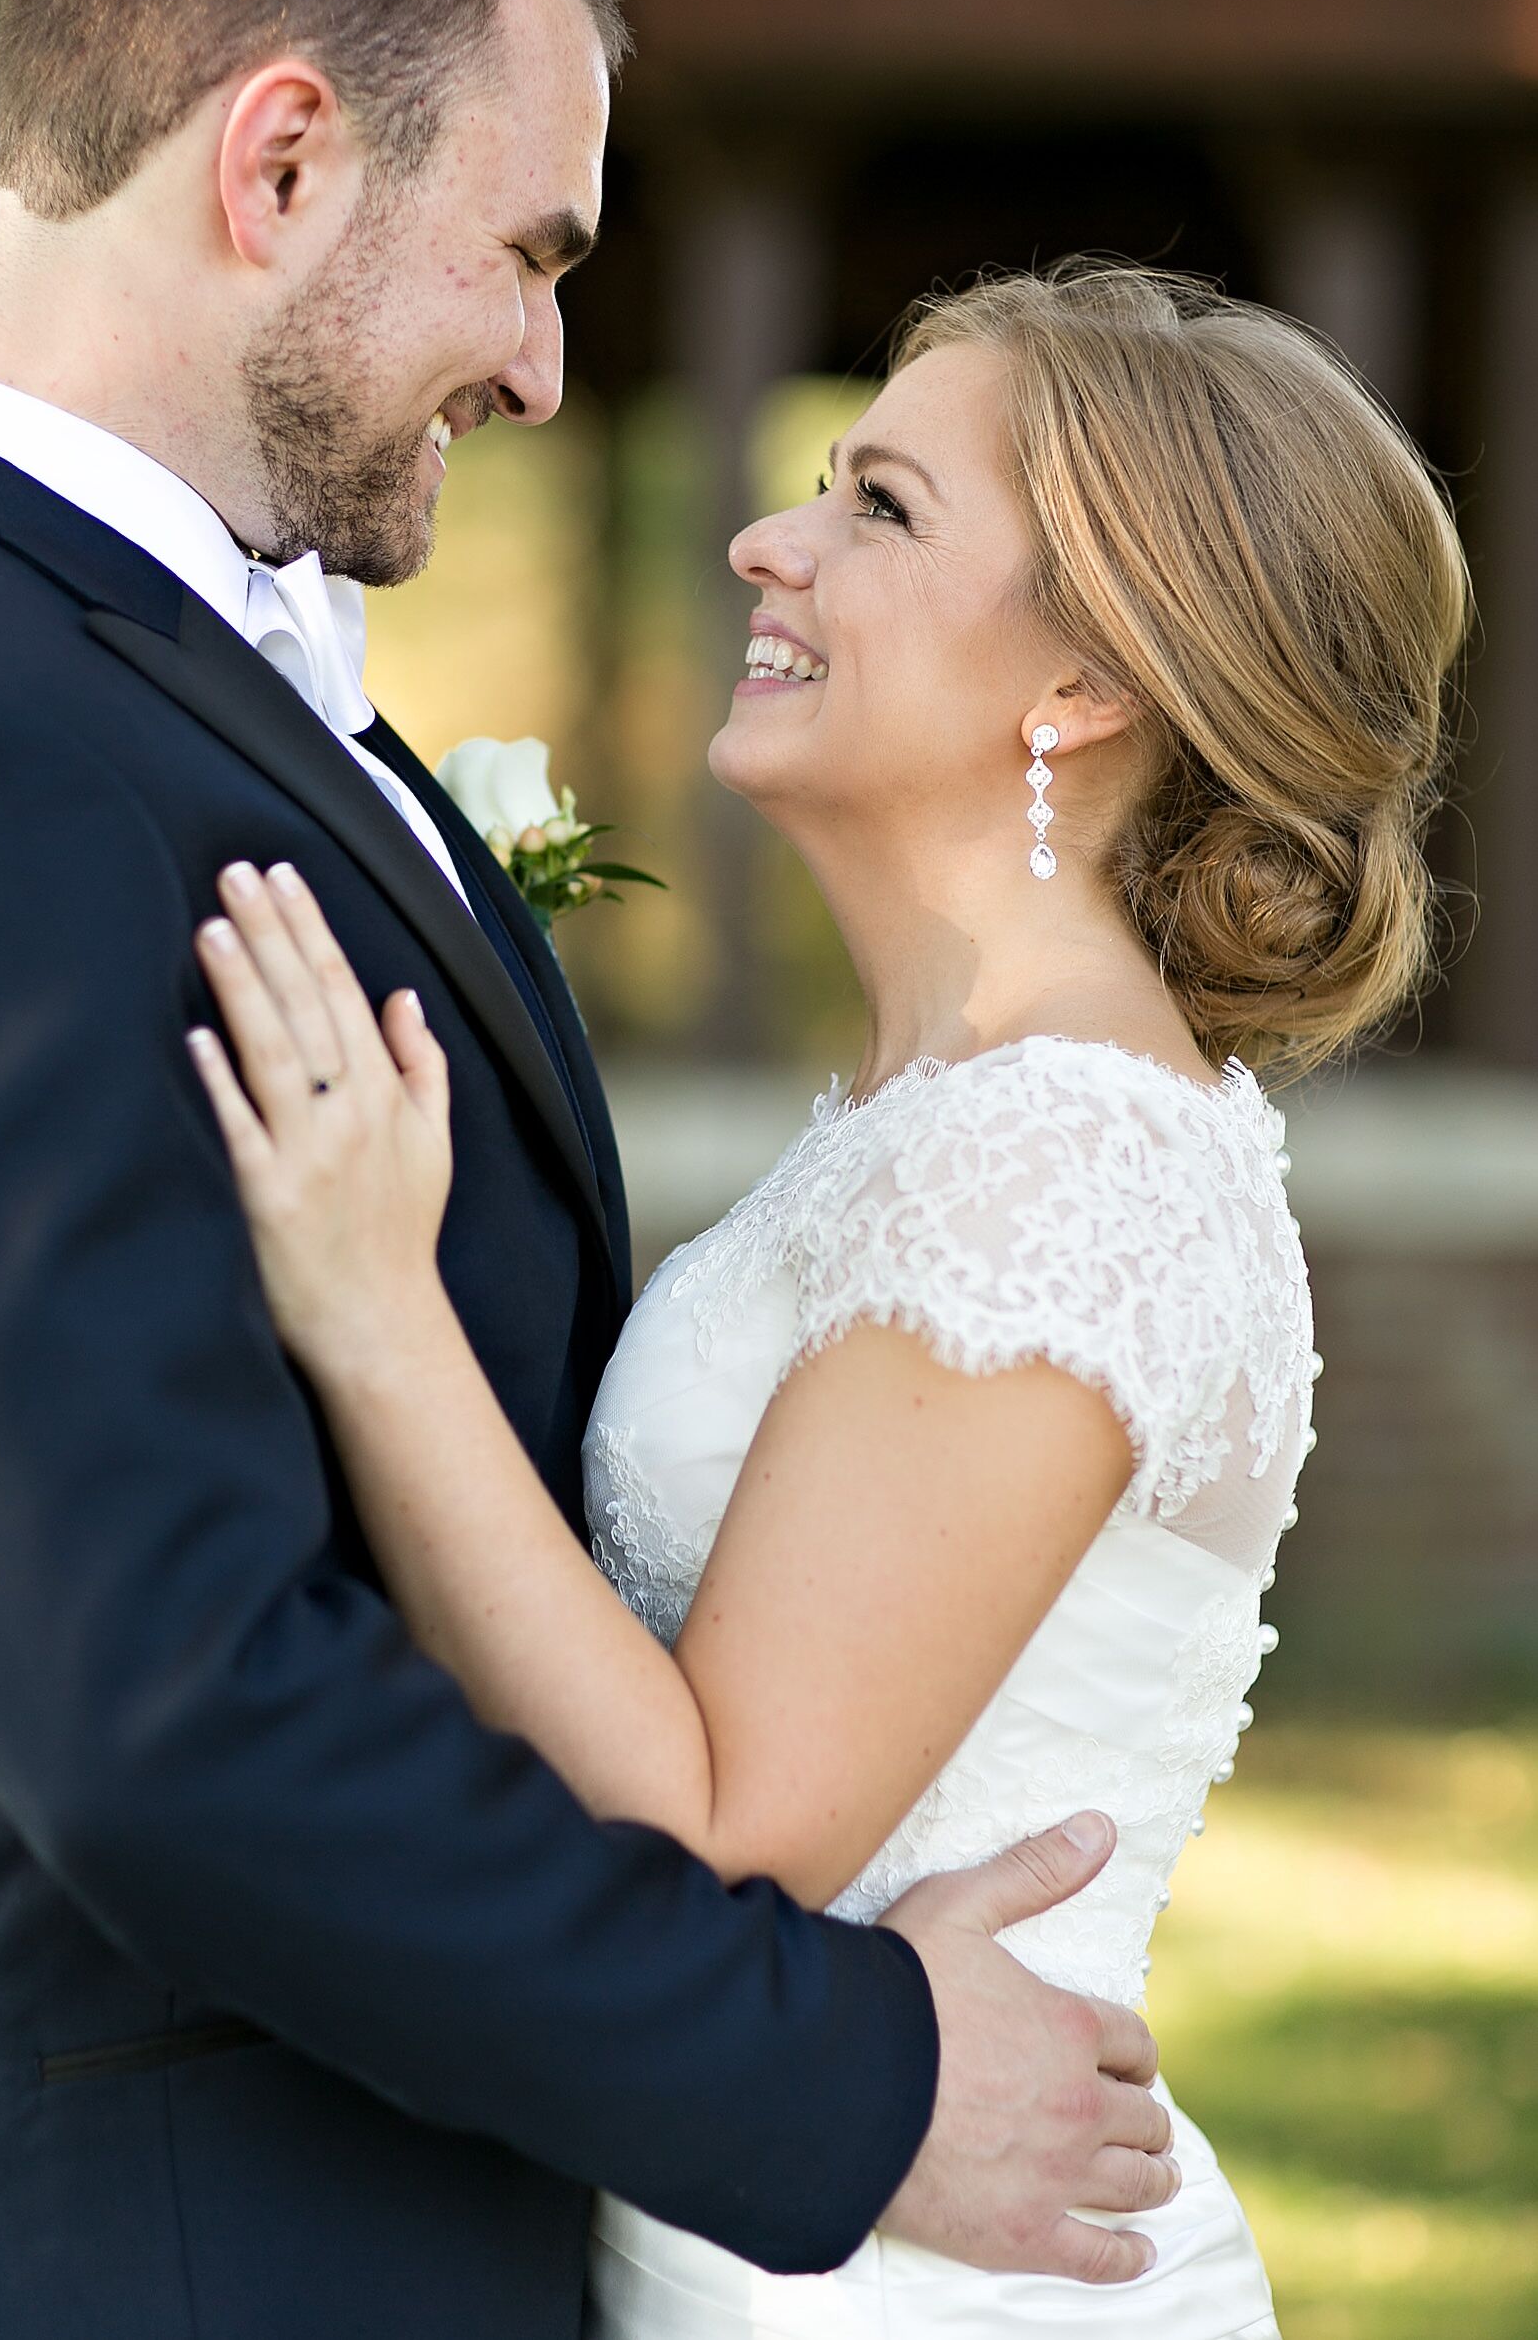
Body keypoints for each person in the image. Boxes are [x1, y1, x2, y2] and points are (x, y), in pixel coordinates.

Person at [0, 0, 1175, 2340]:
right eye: (521, 253)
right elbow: (162, 1712)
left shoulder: (119, 676)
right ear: (274, 169)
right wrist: (841, 2071)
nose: (546, 362)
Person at [185, 259, 1469, 2338]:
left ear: (1081, 686)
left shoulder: (1064, 1154)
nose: (761, 540)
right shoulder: (945, 1112)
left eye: (878, 508)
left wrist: (369, 1309)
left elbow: (720, 1825)